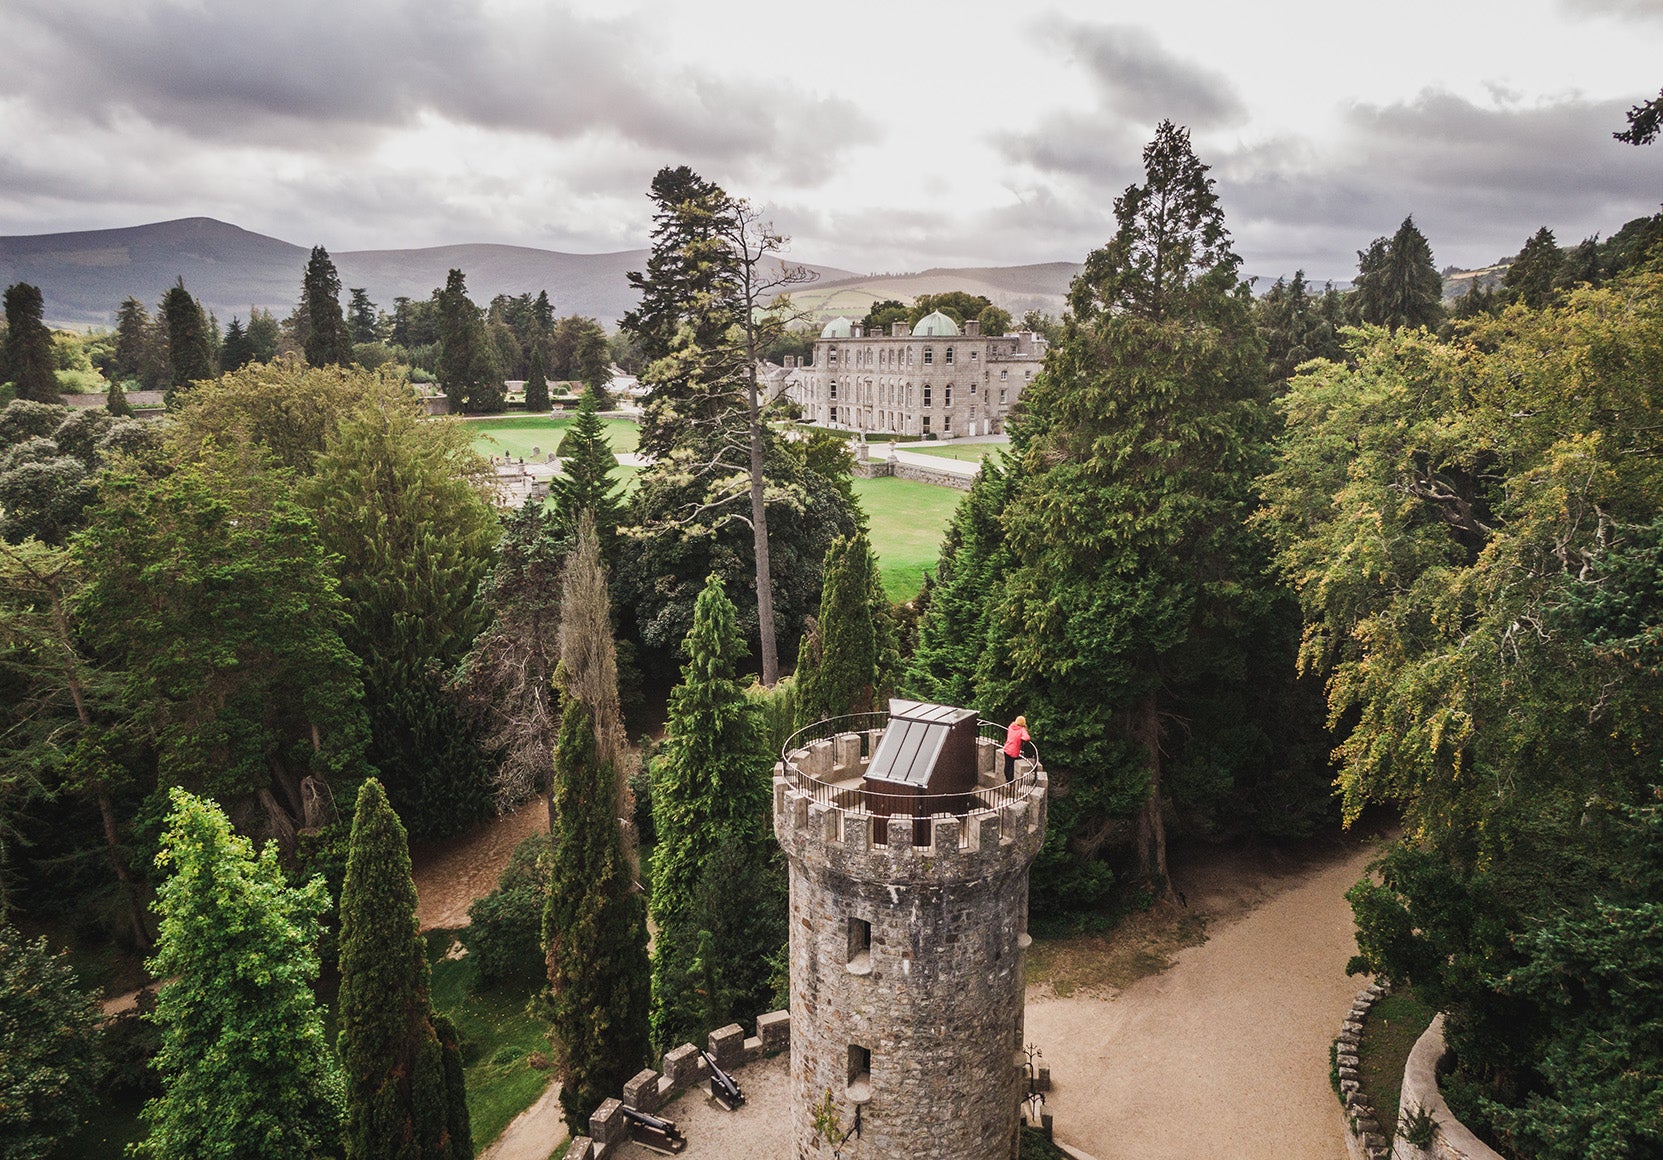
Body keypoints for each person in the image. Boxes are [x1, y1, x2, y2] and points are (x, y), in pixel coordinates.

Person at [1003, 715, 1030, 782]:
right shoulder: (1022, 730)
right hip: (1013, 751)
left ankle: (1007, 778)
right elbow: (1026, 737)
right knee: (1011, 766)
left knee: (1007, 765)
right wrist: (1021, 739)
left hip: (1006, 748)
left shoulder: (1011, 726)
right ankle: (1010, 781)